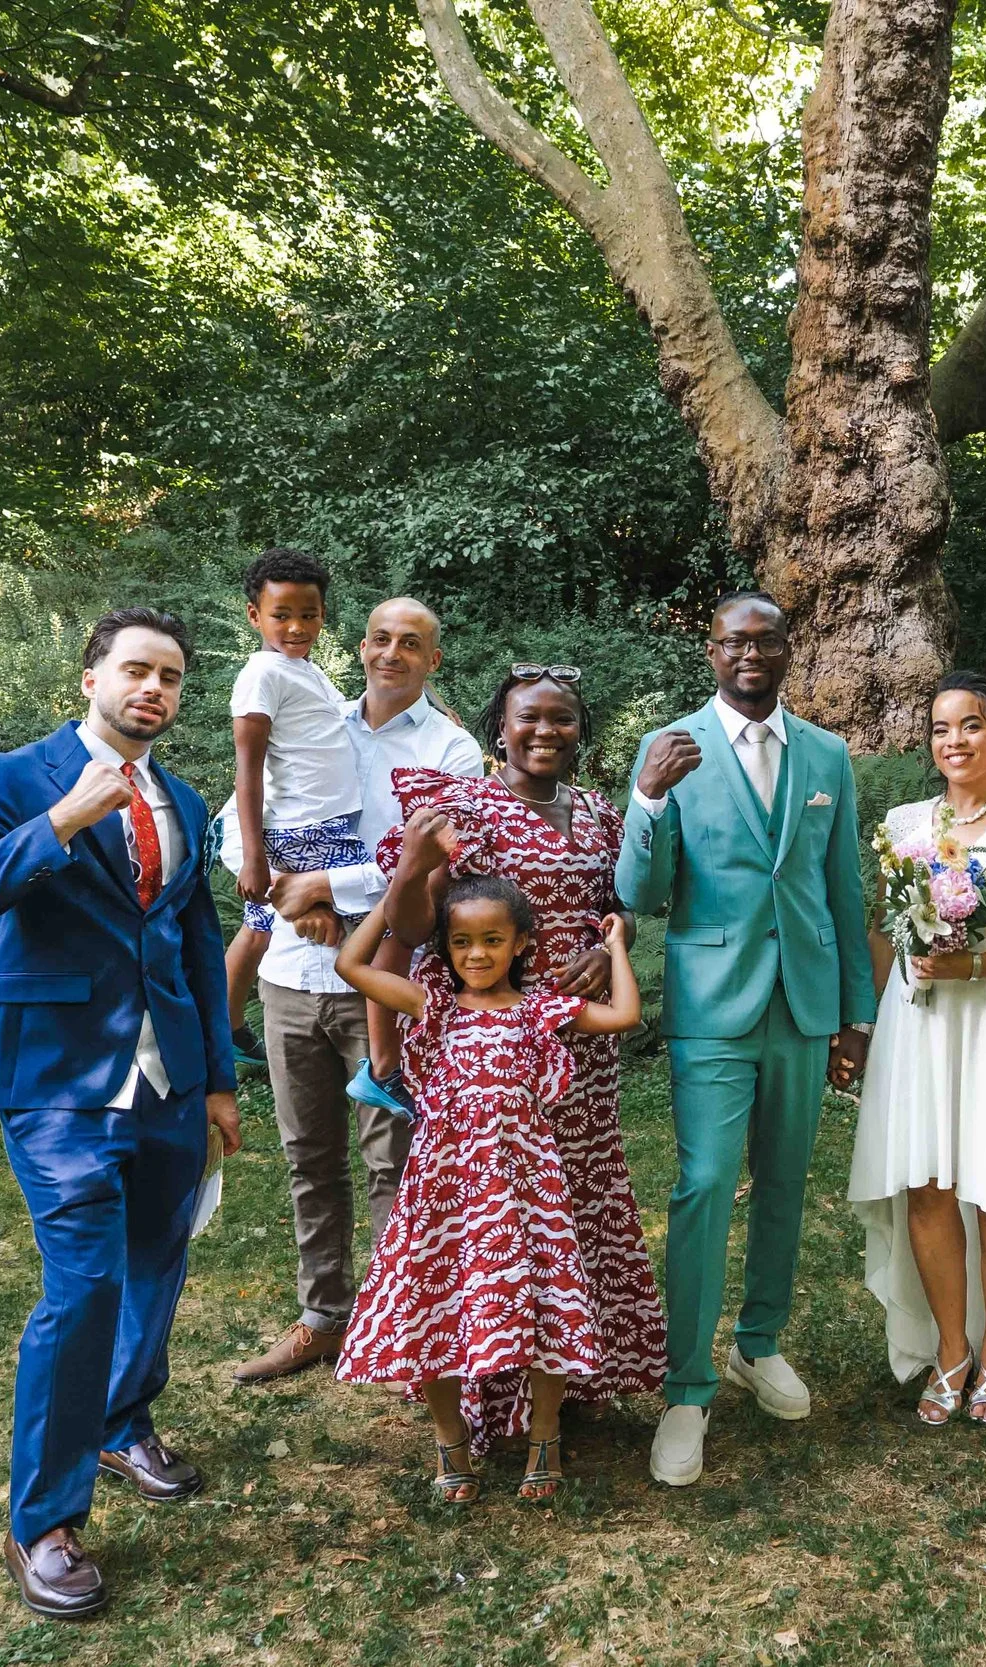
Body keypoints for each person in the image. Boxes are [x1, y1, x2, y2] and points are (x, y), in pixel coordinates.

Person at [0, 608, 241, 1620]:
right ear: (90, 678)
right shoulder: (10, 776)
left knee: (158, 1258)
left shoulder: (180, 794)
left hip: (172, 1080)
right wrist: (58, 821)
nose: (155, 687)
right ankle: (43, 1520)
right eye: (136, 669)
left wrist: (221, 1077)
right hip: (56, 1080)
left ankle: (122, 1417)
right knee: (85, 1285)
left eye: (173, 676)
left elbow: (195, 945)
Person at [617, 592, 877, 1485]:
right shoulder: (671, 750)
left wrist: (858, 1013)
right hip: (712, 1006)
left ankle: (758, 1341)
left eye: (768, 641)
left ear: (787, 649)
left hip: (802, 1004)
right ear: (712, 648)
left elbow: (842, 889)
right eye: (736, 641)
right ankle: (686, 1387)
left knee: (786, 1184)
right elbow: (642, 892)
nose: (752, 655)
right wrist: (647, 798)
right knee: (702, 1185)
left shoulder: (828, 755)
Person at [375, 666, 669, 1449]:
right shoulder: (462, 807)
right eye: (528, 719)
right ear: (498, 729)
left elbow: (619, 913)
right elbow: (410, 925)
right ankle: (487, 1380)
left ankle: (569, 1378)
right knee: (496, 1210)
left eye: (563, 719)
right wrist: (411, 860)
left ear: (581, 729)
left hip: (579, 1046)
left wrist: (613, 951)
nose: (546, 732)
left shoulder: (602, 815)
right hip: (484, 1046)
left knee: (571, 1202)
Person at [228, 597, 486, 1386]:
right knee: (308, 1157)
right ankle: (323, 1316)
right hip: (288, 980)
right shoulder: (314, 718)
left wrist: (325, 886)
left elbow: (436, 867)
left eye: (411, 643)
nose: (391, 652)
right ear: (361, 645)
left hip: (387, 983)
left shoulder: (453, 748)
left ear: (433, 660)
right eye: (379, 637)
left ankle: (403, 1326)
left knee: (394, 1160)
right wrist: (285, 893)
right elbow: (237, 826)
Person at [333, 875, 642, 1501]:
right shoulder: (433, 1005)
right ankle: (450, 1440)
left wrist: (616, 948)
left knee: (548, 1307)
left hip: (528, 1184)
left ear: (522, 943)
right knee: (437, 1306)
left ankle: (545, 1434)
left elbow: (626, 1015)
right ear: (445, 947)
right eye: (462, 942)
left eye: (493, 940)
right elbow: (350, 963)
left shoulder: (541, 1010)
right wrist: (395, 902)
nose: (476, 955)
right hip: (445, 1186)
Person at [850, 672, 986, 1425]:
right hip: (921, 1020)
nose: (955, 741)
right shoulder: (905, 822)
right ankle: (950, 1347)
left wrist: (971, 962)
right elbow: (887, 924)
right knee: (927, 1183)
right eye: (942, 728)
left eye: (971, 726)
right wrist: (879, 1016)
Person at [224, 549, 366, 1066]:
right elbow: (247, 770)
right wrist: (255, 855)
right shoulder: (263, 672)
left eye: (309, 614)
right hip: (309, 826)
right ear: (254, 615)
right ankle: (381, 1058)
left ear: (324, 615)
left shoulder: (304, 670)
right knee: (377, 920)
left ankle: (226, 1025)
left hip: (318, 820)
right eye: (281, 615)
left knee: (259, 923)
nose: (297, 625)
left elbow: (329, 726)